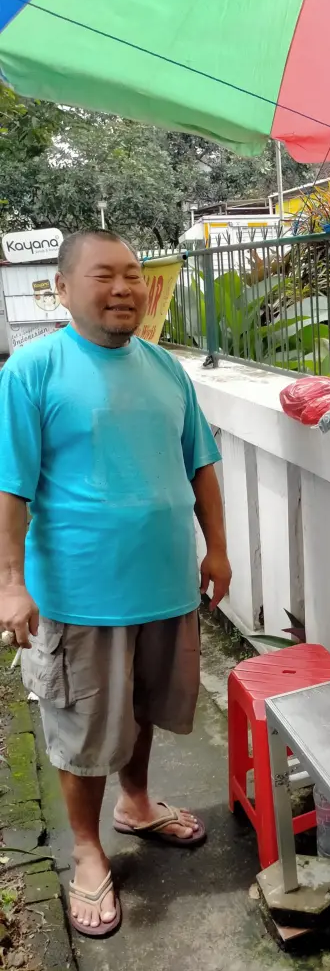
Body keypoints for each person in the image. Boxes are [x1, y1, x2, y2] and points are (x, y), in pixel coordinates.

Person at [0, 230, 231, 937]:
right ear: (62, 289)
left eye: (133, 274)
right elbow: (10, 486)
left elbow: (200, 464)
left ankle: (136, 805)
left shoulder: (165, 367)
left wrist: (217, 548)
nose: (125, 287)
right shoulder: (32, 371)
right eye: (105, 275)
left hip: (163, 586)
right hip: (79, 595)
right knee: (84, 728)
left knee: (141, 709)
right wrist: (10, 583)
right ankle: (89, 852)